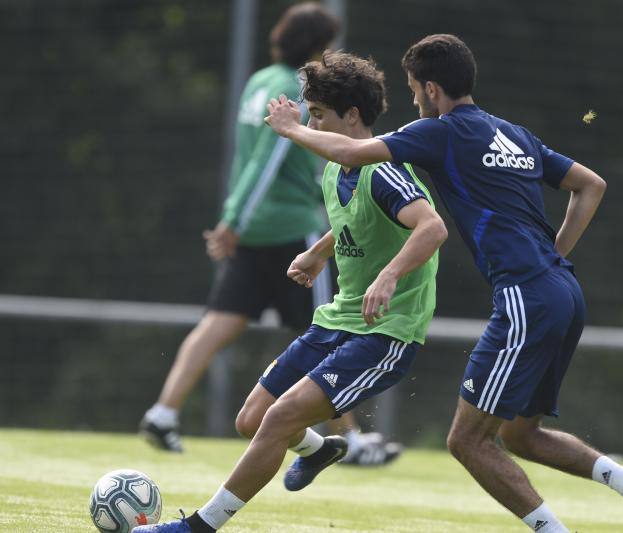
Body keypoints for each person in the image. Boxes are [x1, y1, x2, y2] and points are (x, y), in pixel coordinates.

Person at [262, 34, 623, 533]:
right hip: (563, 291)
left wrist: (290, 130)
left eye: (414, 89)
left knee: (466, 441)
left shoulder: (441, 132)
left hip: (527, 298)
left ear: (432, 89)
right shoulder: (513, 134)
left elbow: (357, 150)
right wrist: (554, 256)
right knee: (521, 436)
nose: (413, 100)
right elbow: (591, 185)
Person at [133, 51, 447, 533]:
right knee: (252, 419)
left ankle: (198, 526)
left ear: (352, 117)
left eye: (318, 114)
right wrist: (322, 250)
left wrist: (387, 278)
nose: (310, 122)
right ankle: (323, 450)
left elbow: (431, 228)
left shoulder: (382, 168)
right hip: (337, 321)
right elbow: (362, 220)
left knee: (279, 418)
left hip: (385, 333)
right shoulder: (333, 168)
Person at [138, 2, 400, 465]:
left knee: (218, 322)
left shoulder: (259, 80)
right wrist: (234, 219)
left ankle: (163, 411)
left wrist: (236, 217)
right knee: (331, 325)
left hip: (253, 225)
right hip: (289, 226)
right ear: (317, 45)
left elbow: (246, 158)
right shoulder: (291, 90)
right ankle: (353, 440)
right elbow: (268, 159)